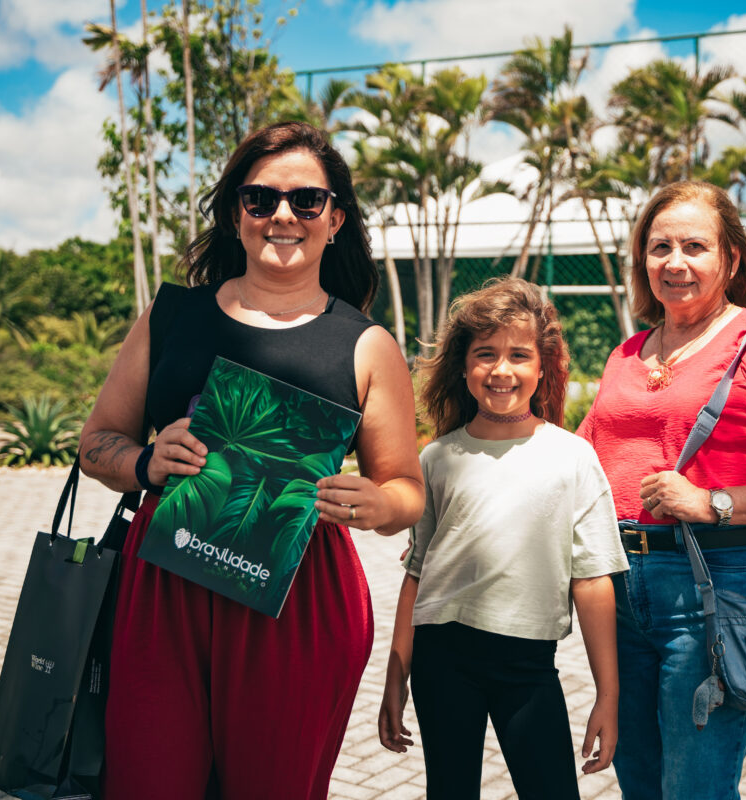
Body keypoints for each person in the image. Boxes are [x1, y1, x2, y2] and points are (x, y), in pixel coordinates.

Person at [78, 121, 423, 799]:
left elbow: (406, 488)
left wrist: (380, 503)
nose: (283, 215)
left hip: (297, 598)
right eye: (261, 198)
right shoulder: (171, 316)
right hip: (166, 585)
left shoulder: (366, 345)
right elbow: (97, 442)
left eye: (307, 200)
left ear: (335, 220)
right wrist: (146, 462)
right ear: (236, 213)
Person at [577, 181, 746, 800]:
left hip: (714, 586)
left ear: (731, 258)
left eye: (694, 246)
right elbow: (574, 464)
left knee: (695, 786)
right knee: (639, 782)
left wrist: (711, 502)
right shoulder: (628, 353)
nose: (674, 262)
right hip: (617, 589)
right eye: (659, 247)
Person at [378, 278, 629, 800]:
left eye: (519, 355)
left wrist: (608, 693)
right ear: (464, 366)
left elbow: (592, 580)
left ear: (542, 367)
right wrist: (396, 675)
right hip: (441, 659)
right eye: (485, 353)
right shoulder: (436, 458)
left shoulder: (573, 457)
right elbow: (417, 574)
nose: (501, 369)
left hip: (528, 665)